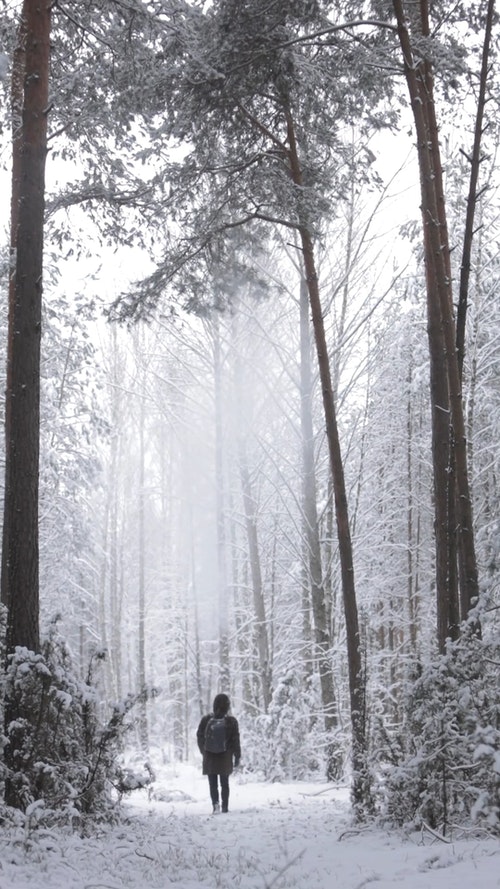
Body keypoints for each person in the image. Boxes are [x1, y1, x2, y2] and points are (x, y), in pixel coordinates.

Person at [197, 693, 241, 814]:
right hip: (225, 757)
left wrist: (204, 751)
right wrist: (237, 755)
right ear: (227, 706)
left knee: (213, 783)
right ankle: (225, 807)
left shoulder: (206, 720)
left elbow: (199, 735)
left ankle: (215, 805)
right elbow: (235, 740)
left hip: (209, 756)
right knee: (224, 783)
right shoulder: (231, 721)